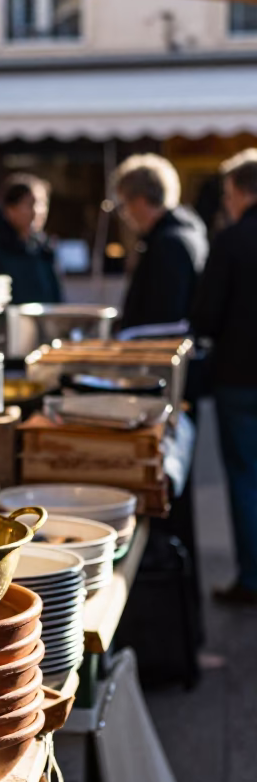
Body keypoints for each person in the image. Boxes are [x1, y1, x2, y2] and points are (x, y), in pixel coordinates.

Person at [192, 148, 257, 607]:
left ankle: (253, 578)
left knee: (246, 478)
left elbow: (205, 316)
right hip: (239, 376)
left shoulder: (232, 240)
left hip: (240, 376)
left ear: (239, 192)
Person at [111, 154, 208, 331]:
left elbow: (164, 319)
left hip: (158, 353)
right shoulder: (185, 232)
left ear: (139, 202)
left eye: (124, 205)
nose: (124, 215)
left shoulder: (170, 243)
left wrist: (128, 336)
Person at [0, 174, 61, 304]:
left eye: (43, 204)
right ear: (10, 209)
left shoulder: (44, 251)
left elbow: (56, 298)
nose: (38, 211)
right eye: (30, 204)